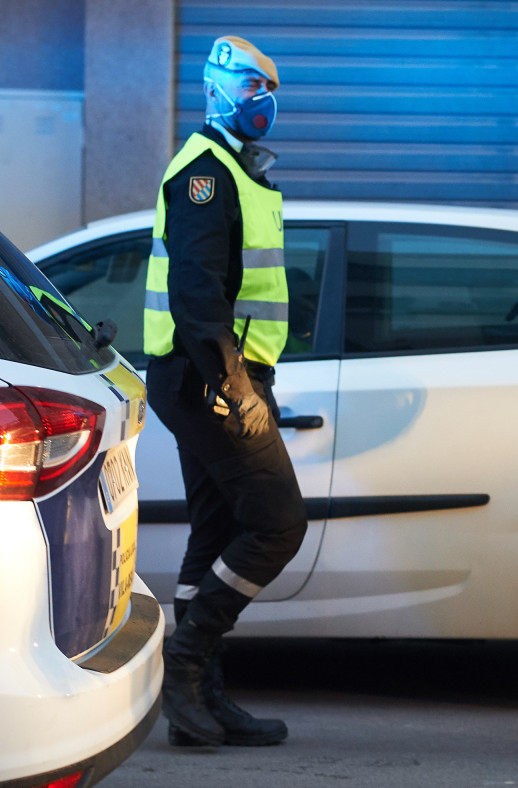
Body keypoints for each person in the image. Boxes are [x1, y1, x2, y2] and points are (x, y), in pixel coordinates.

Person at [143, 35, 306, 748]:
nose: (262, 101)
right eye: (250, 87)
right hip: (208, 376)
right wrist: (235, 389)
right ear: (216, 89)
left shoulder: (239, 171)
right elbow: (197, 299)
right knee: (278, 524)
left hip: (213, 375)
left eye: (268, 89)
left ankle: (200, 699)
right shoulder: (204, 174)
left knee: (214, 532)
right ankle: (183, 666)